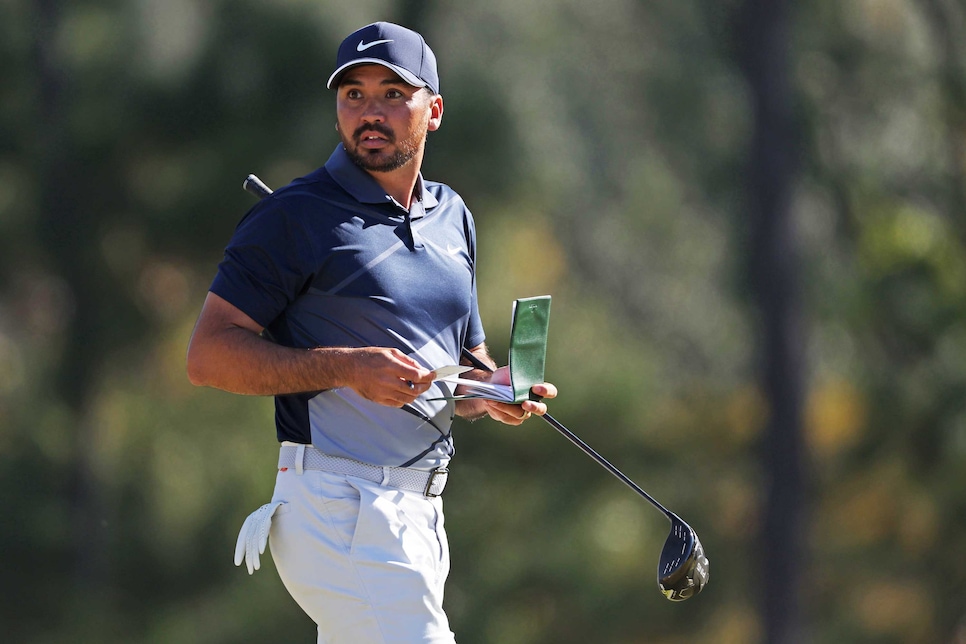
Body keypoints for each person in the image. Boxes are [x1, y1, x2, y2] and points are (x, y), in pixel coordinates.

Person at [185, 21, 557, 644]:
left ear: (433, 110)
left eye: (392, 94)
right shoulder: (294, 217)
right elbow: (207, 355)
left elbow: (461, 365)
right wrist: (344, 367)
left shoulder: (452, 217)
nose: (370, 112)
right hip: (338, 504)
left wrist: (491, 390)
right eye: (353, 94)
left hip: (420, 517)